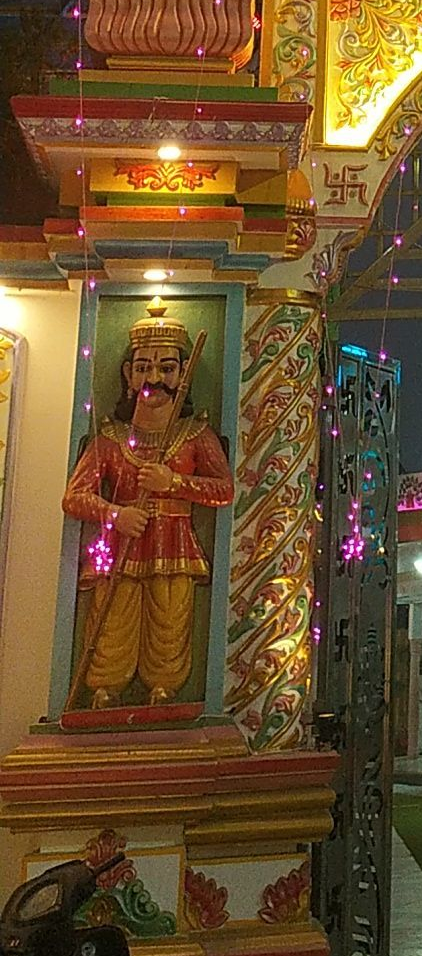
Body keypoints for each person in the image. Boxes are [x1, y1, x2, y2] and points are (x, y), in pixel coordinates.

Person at [61, 302, 233, 710]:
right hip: (120, 542)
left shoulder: (195, 434)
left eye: (167, 368)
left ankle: (164, 691)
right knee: (112, 618)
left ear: (183, 374)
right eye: (143, 368)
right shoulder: (110, 437)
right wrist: (115, 514)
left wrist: (173, 482)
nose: (154, 378)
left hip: (174, 544)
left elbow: (224, 489)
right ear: (128, 374)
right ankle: (105, 689)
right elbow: (74, 496)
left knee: (170, 622)